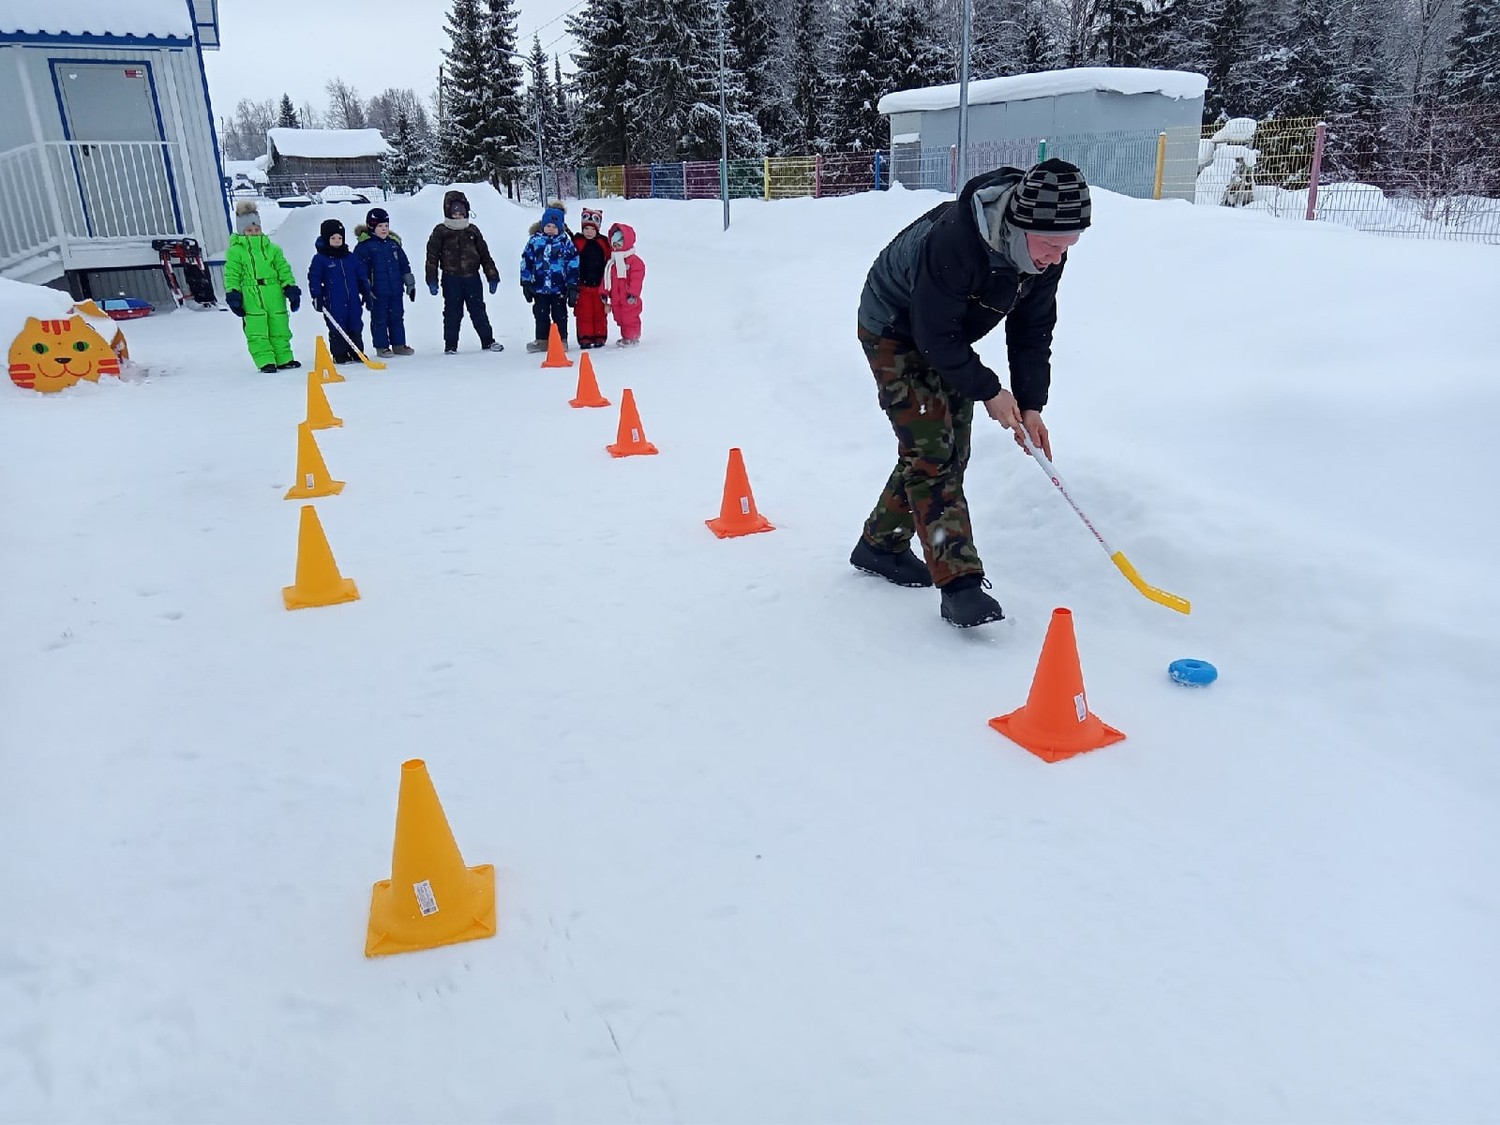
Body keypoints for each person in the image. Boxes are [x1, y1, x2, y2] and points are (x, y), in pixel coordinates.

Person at [851, 159, 1091, 628]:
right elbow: (933, 334)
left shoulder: (1043, 253)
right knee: (933, 451)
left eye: (1069, 246)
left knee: (948, 449)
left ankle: (880, 545)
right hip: (894, 329)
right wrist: (988, 390)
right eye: (1051, 245)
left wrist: (1030, 404)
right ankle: (959, 584)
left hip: (948, 333)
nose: (1057, 257)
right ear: (1021, 225)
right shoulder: (958, 240)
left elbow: (1032, 330)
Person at [223, 201, 301, 372]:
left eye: (256, 229)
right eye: (249, 231)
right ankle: (265, 360)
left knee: (279, 325)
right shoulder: (236, 252)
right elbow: (232, 274)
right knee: (257, 329)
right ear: (242, 232)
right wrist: (233, 293)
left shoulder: (272, 249)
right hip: (251, 294)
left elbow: (283, 269)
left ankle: (284, 358)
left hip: (273, 292)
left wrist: (290, 287)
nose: (254, 233)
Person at [424, 190, 503, 354]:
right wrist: (432, 280)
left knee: (478, 310)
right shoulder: (441, 231)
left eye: (461, 212)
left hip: (472, 279)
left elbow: (484, 255)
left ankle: (488, 340)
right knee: (452, 312)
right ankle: (451, 345)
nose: (458, 215)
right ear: (448, 212)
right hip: (451, 279)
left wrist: (492, 275)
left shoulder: (472, 230)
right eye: (454, 212)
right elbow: (432, 257)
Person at [307, 218, 372, 364]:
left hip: (353, 299)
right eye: (333, 238)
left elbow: (361, 275)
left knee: (355, 324)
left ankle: (357, 352)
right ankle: (340, 354)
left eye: (340, 238)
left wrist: (366, 292)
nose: (337, 240)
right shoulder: (320, 259)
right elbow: (314, 278)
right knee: (338, 325)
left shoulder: (350, 257)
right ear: (326, 239)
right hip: (334, 300)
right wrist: (316, 296)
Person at [354, 207, 416, 357]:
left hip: (395, 289)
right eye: (380, 226)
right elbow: (360, 271)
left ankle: (399, 344)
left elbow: (404, 264)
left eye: (386, 226)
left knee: (397, 316)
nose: (384, 229)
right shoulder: (364, 247)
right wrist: (366, 289)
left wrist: (410, 283)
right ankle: (382, 346)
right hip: (377, 291)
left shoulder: (393, 244)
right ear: (371, 227)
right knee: (379, 319)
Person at [521, 205, 580, 353]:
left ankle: (561, 340)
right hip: (539, 287)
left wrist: (572, 285)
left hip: (559, 288)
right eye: (548, 225)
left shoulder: (565, 243)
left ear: (560, 227)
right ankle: (542, 340)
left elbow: (573, 263)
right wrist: (526, 281)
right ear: (542, 225)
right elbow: (526, 261)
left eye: (554, 226)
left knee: (560, 314)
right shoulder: (535, 241)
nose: (551, 229)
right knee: (540, 313)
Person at [572, 207, 611, 349]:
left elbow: (610, 258)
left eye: (592, 229)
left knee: (600, 313)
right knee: (584, 313)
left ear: (598, 229)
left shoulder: (603, 243)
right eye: (586, 228)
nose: (588, 232)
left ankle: (600, 336)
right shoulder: (578, 242)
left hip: (600, 286)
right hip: (583, 285)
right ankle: (585, 337)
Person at [603, 222, 644, 347]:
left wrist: (633, 293)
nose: (616, 246)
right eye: (614, 244)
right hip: (616, 297)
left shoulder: (634, 261)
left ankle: (632, 337)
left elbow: (637, 278)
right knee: (620, 317)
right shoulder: (612, 263)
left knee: (629, 318)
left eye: (619, 243)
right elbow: (606, 279)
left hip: (628, 297)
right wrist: (604, 293)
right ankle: (625, 336)